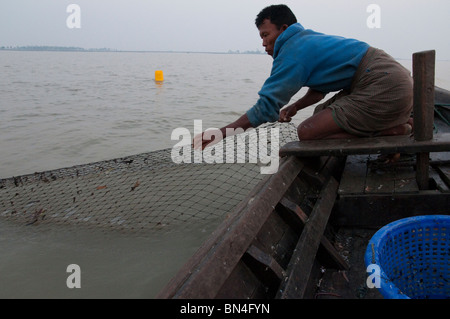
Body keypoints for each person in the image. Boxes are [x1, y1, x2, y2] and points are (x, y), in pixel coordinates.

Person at [193, 4, 413, 155]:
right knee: (319, 118)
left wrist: (221, 133)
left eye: (265, 35)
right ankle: (393, 123)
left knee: (307, 132)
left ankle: (394, 130)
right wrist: (295, 107)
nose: (263, 43)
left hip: (383, 84)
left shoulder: (292, 51)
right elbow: (318, 91)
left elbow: (266, 107)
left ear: (284, 29)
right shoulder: (305, 40)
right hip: (389, 78)